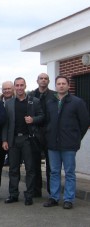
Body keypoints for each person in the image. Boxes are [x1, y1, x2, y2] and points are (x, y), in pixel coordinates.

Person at [43, 75, 89, 209]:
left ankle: (69, 199)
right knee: (54, 172)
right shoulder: (50, 102)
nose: (61, 85)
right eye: (59, 83)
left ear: (68, 86)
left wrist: (76, 137)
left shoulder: (77, 102)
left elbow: (85, 122)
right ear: (55, 86)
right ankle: (54, 197)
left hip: (69, 145)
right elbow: (47, 122)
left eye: (64, 83)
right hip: (53, 144)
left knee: (69, 172)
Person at [2, 77, 44, 206]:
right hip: (13, 140)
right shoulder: (8, 103)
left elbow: (42, 116)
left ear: (25, 86)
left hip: (28, 139)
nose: (19, 88)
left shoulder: (34, 101)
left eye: (21, 85)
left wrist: (33, 120)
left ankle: (29, 195)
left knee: (30, 169)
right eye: (17, 85)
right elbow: (6, 124)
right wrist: (4, 140)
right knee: (13, 169)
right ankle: (13, 194)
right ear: (15, 87)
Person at [29, 73, 56, 197]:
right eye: (41, 78)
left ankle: (52, 191)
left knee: (51, 166)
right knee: (34, 164)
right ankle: (36, 190)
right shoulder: (30, 95)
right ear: (37, 80)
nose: (43, 80)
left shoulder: (54, 96)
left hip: (50, 133)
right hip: (34, 133)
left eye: (45, 79)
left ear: (48, 81)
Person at [0, 81, 14, 166]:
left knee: (13, 166)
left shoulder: (18, 101)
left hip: (13, 137)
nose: (7, 91)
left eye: (9, 88)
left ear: (13, 89)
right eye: (5, 89)